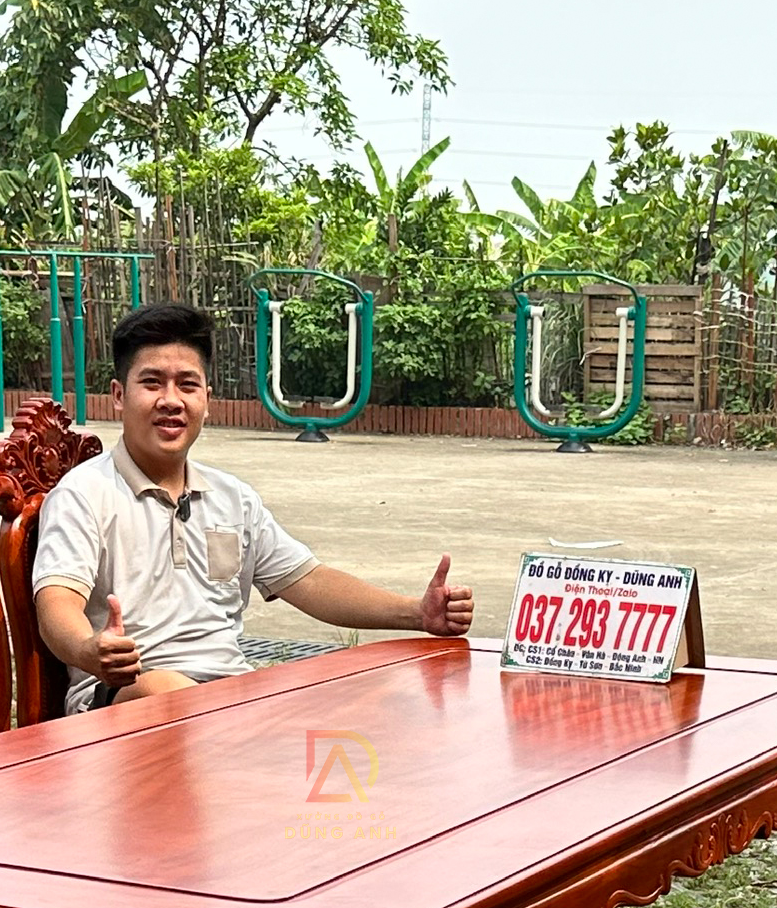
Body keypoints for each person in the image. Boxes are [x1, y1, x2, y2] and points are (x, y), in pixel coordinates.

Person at [31, 302, 472, 711]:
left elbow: (309, 581)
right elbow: (57, 602)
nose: (171, 400)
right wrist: (89, 649)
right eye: (152, 383)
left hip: (227, 694)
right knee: (167, 689)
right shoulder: (84, 494)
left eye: (187, 384)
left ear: (207, 400)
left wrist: (418, 612)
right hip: (123, 696)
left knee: (366, 700)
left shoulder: (232, 498)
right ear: (118, 395)